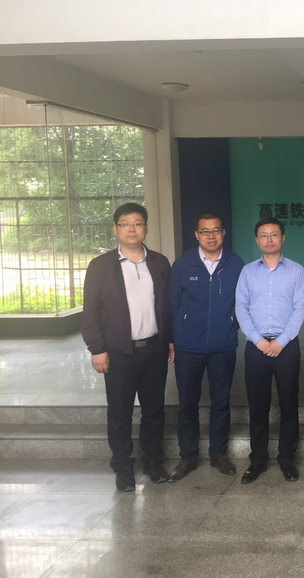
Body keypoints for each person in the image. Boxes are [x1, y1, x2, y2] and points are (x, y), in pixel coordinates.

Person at [81, 202, 173, 492]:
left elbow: (167, 305)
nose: (132, 229)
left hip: (154, 349)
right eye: (125, 224)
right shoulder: (100, 266)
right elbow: (91, 311)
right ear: (115, 229)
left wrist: (170, 339)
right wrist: (97, 349)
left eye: (137, 223)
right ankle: (122, 466)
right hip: (119, 353)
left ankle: (153, 461)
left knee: (154, 410)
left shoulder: (160, 263)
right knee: (120, 412)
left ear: (146, 228)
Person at [167, 211, 244, 482]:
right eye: (205, 231)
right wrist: (176, 336)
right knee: (187, 403)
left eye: (216, 231)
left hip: (223, 345)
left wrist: (231, 325)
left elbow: (242, 302)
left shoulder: (236, 264)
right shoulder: (183, 265)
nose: (211, 236)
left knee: (221, 402)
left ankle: (218, 454)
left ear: (224, 233)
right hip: (188, 346)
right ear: (197, 235)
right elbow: (173, 304)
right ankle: (188, 457)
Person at [235, 217, 304, 483]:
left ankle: (287, 459)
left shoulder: (296, 271)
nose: (269, 240)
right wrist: (258, 340)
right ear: (257, 240)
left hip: (286, 347)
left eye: (274, 234)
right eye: (264, 235)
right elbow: (241, 307)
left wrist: (281, 341)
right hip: (256, 347)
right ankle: (258, 460)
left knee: (289, 404)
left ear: (283, 238)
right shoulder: (247, 272)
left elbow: (300, 308)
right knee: (258, 407)